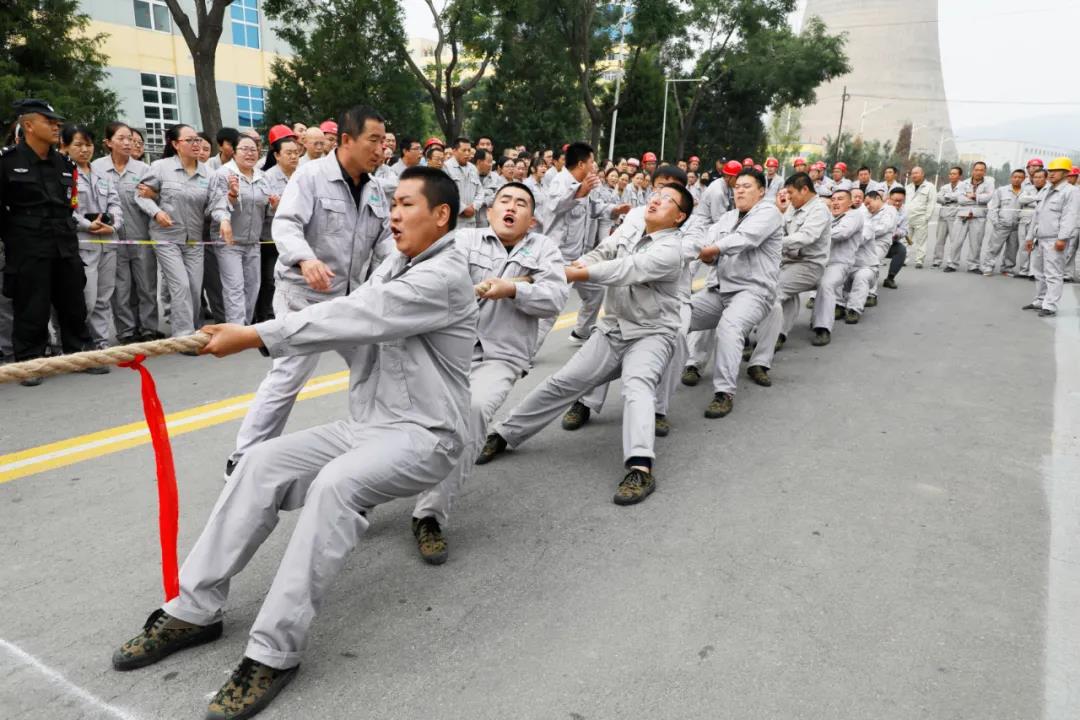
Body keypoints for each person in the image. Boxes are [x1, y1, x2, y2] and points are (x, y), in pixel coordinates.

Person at [110, 165, 476, 720]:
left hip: (426, 437)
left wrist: (256, 335)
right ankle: (194, 608)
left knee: (335, 486)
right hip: (368, 427)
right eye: (391, 205)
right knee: (260, 463)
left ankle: (274, 651)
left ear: (441, 215)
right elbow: (347, 319)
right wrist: (284, 321)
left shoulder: (444, 275)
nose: (393, 215)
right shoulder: (395, 262)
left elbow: (364, 314)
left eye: (405, 205)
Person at [479, 183, 693, 505]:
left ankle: (640, 468)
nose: (656, 201)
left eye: (667, 201)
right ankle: (503, 434)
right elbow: (604, 251)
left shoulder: (672, 249)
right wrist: (578, 265)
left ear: (680, 216)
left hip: (651, 332)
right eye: (656, 195)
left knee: (637, 386)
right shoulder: (632, 230)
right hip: (613, 329)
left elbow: (625, 269)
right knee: (564, 382)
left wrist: (571, 275)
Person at [225, 107, 392, 475]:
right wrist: (305, 259)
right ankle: (243, 458)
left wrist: (397, 278)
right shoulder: (311, 176)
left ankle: (369, 441)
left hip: (349, 300)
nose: (382, 149)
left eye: (384, 141)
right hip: (302, 295)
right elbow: (286, 225)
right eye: (374, 140)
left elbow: (386, 245)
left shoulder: (376, 189)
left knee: (371, 365)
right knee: (290, 373)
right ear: (347, 140)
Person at [409, 182, 568, 563]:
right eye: (505, 201)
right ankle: (368, 489)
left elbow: (555, 298)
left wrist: (514, 288)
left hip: (502, 356)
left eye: (522, 204)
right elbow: (432, 276)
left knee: (475, 410)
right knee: (411, 419)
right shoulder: (463, 242)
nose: (512, 207)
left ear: (532, 219)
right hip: (447, 349)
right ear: (490, 210)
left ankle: (429, 515)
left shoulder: (545, 249)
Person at [0, 99, 95, 385]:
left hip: (64, 245)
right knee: (32, 307)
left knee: (73, 303)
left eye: (57, 122)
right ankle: (30, 364)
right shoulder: (7, 163)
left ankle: (79, 354)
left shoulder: (64, 164)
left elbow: (69, 206)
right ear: (28, 125)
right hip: (28, 247)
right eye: (49, 122)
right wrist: (15, 238)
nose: (57, 126)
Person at [686, 169, 782, 418]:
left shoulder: (769, 212)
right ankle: (669, 371)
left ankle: (724, 393)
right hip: (721, 290)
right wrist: (700, 254)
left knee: (729, 327)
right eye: (737, 186)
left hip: (753, 291)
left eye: (747, 186)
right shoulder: (727, 217)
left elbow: (745, 239)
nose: (739, 190)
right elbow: (706, 245)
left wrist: (712, 250)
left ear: (762, 191)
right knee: (677, 314)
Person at [536, 141, 629, 347]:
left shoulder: (587, 184)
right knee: (553, 306)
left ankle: (581, 331)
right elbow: (554, 207)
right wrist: (578, 193)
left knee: (596, 291)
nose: (594, 166)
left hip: (578, 256)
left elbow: (595, 208)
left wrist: (616, 210)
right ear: (581, 164)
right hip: (558, 255)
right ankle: (524, 354)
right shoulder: (561, 181)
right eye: (591, 162)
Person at [745, 171, 831, 387]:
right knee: (786, 295)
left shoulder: (819, 210)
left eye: (792, 192)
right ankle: (779, 333)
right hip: (789, 261)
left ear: (804, 189)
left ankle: (761, 355)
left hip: (809, 265)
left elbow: (806, 237)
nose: (789, 197)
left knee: (772, 294)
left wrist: (775, 242)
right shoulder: (794, 207)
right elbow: (781, 226)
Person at [135, 123, 211, 343]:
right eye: (190, 140)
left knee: (195, 287)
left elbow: (215, 202)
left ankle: (193, 328)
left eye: (197, 140)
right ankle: (183, 337)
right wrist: (157, 213)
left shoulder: (208, 172)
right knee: (181, 285)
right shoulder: (160, 167)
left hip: (194, 239)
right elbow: (140, 195)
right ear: (176, 144)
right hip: (166, 238)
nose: (196, 144)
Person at [94, 122, 158, 343]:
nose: (127, 142)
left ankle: (149, 327)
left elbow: (155, 200)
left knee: (147, 286)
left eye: (130, 138)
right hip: (112, 238)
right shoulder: (97, 168)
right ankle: (127, 331)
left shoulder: (144, 170)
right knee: (121, 289)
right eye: (121, 138)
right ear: (108, 142)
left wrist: (153, 194)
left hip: (141, 237)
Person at [65, 123, 123, 354]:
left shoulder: (102, 175)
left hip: (108, 243)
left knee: (103, 296)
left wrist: (114, 224)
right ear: (66, 146)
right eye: (78, 145)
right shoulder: (65, 174)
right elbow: (66, 209)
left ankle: (100, 342)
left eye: (88, 145)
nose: (84, 150)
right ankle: (77, 340)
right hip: (82, 243)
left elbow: (115, 203)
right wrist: (89, 225)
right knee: (86, 299)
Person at [208, 134, 270, 325]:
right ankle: (236, 329)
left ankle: (245, 326)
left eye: (254, 149)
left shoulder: (263, 176)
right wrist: (230, 202)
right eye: (244, 149)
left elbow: (266, 208)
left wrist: (275, 205)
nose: (250, 153)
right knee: (234, 286)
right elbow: (216, 205)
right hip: (229, 241)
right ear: (233, 152)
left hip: (253, 241)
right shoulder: (223, 174)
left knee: (253, 286)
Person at [1022, 157, 1079, 317]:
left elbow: (1070, 216)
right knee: (1038, 271)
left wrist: (1062, 238)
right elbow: (1037, 216)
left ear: (1066, 173)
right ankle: (1039, 300)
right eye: (1051, 171)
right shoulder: (1047, 190)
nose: (1052, 174)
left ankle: (1050, 305)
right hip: (1040, 238)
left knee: (1053, 273)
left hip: (1055, 239)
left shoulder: (1071, 192)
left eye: (1056, 171)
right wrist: (1029, 237)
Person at [254, 125, 300, 323]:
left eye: (296, 153)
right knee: (269, 279)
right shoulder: (267, 177)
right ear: (277, 155)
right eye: (289, 153)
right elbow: (262, 207)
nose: (294, 157)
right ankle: (266, 317)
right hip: (269, 238)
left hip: (294, 237)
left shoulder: (301, 175)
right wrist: (276, 207)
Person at [810, 188, 863, 346]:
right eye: (833, 200)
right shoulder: (827, 216)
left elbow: (842, 233)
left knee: (826, 285)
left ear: (850, 202)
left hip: (839, 263)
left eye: (840, 199)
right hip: (817, 261)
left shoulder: (855, 216)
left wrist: (815, 233)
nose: (835, 203)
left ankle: (823, 328)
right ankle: (778, 331)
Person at [844, 190, 897, 323]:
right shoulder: (863, 211)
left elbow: (884, 228)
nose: (867, 206)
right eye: (865, 204)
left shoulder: (889, 210)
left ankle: (871, 294)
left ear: (878, 198)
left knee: (872, 262)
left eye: (869, 203)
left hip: (880, 242)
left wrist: (866, 230)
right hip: (865, 241)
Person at [948, 161, 993, 273]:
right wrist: (978, 199)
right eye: (976, 170)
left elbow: (988, 198)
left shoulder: (989, 184)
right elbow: (960, 199)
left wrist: (973, 196)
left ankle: (973, 265)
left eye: (981, 170)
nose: (978, 172)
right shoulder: (963, 183)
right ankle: (952, 264)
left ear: (984, 171)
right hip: (962, 215)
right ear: (973, 170)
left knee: (976, 243)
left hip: (978, 216)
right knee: (956, 241)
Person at [981, 169, 1026, 276]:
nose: (1017, 179)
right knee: (994, 248)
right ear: (1011, 178)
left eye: (1020, 177)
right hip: (1002, 225)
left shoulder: (1026, 192)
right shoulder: (1002, 190)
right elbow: (993, 208)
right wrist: (996, 223)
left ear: (1024, 179)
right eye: (1015, 177)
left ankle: (1007, 268)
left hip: (1017, 226)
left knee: (1012, 250)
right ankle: (988, 267)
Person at [442, 137, 483, 229]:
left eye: (469, 150)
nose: (467, 153)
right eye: (464, 150)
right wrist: (463, 209)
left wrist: (474, 207)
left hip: (471, 221)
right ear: (454, 151)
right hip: (454, 221)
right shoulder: (446, 167)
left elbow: (480, 191)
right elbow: (446, 193)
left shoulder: (473, 168)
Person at [1014, 168, 1046, 278]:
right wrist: (1037, 198)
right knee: (1024, 245)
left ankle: (1033, 272)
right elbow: (1021, 200)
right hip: (1025, 221)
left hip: (1041, 222)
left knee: (1037, 248)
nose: (1037, 179)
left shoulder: (1049, 190)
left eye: (1040, 177)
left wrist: (1031, 201)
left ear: (1045, 178)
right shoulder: (1027, 188)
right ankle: (1023, 270)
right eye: (1035, 177)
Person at [932, 166, 963, 269]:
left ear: (959, 176)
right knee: (939, 241)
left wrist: (947, 198)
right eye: (950, 174)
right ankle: (937, 261)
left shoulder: (964, 186)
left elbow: (961, 198)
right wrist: (951, 199)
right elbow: (938, 197)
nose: (951, 176)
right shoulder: (945, 187)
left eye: (954, 174)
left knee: (955, 241)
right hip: (943, 216)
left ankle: (952, 263)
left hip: (955, 217)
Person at [905, 166, 936, 268]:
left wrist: (927, 217)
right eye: (912, 173)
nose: (914, 175)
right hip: (907, 218)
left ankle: (919, 260)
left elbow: (931, 203)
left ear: (922, 174)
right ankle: (903, 259)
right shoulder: (908, 187)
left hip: (920, 218)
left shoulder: (929, 187)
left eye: (916, 173)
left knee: (921, 241)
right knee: (905, 240)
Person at [881, 187, 909, 289]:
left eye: (900, 201)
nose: (897, 203)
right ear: (889, 198)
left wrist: (898, 234)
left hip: (891, 242)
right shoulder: (880, 208)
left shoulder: (905, 211)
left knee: (901, 250)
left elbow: (905, 230)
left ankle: (890, 278)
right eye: (895, 200)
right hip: (874, 243)